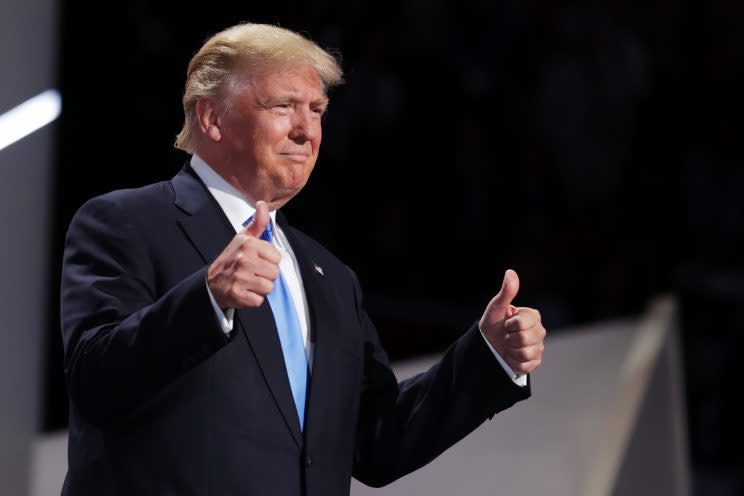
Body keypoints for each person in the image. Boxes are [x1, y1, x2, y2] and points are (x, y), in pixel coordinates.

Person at [60, 23, 546, 495]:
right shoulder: (126, 222)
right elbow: (95, 382)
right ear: (211, 118)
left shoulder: (330, 276)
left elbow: (377, 441)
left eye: (317, 110)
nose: (306, 130)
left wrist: (489, 359)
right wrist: (206, 298)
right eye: (283, 106)